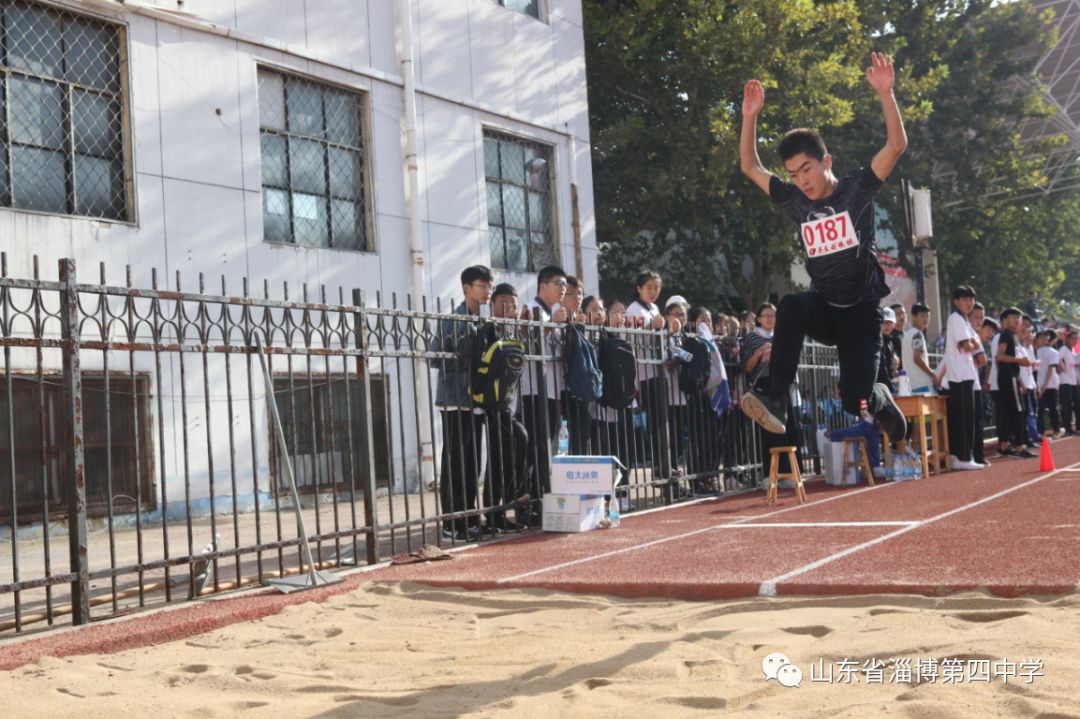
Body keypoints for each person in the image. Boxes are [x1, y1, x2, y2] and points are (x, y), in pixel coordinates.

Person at [737, 52, 908, 451]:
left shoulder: (856, 190)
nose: (802, 181)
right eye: (794, 174)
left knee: (856, 401)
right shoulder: (796, 200)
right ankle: (775, 394)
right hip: (826, 308)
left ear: (825, 161)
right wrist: (750, 117)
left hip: (862, 313)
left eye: (807, 169)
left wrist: (887, 93)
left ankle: (883, 402)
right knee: (793, 305)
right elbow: (750, 166)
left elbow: (896, 144)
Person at [433, 265, 494, 540]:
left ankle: (469, 516)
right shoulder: (451, 320)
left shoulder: (484, 320)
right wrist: (462, 352)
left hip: (477, 400)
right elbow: (434, 357)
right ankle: (451, 522)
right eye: (482, 286)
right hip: (455, 399)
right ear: (467, 288)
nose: (487, 292)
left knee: (473, 462)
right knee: (455, 461)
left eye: (489, 287)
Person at [519, 265, 569, 525]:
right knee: (535, 449)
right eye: (557, 283)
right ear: (543, 285)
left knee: (548, 449)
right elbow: (527, 344)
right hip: (532, 390)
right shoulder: (529, 308)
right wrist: (551, 324)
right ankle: (531, 503)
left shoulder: (555, 312)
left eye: (564, 285)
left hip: (551, 391)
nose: (563, 288)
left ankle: (545, 499)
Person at [740, 303, 803, 476]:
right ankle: (770, 475)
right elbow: (746, 367)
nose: (770, 319)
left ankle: (791, 473)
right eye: (766, 315)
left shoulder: (782, 336)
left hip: (782, 384)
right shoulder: (752, 338)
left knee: (789, 428)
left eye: (773, 315)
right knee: (770, 431)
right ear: (758, 319)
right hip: (764, 385)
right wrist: (760, 351)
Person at [625, 270, 674, 477]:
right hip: (645, 372)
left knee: (663, 419)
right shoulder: (633, 309)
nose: (653, 292)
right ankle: (658, 465)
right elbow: (631, 337)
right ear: (639, 289)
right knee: (655, 420)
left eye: (656, 288)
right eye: (649, 288)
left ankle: (665, 462)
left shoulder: (654, 307)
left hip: (658, 368)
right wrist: (649, 327)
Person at [994, 308, 1036, 458]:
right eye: (1013, 317)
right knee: (1018, 411)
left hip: (1009, 377)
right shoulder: (1006, 335)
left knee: (1009, 412)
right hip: (1008, 378)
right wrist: (1019, 361)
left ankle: (1004, 446)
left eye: (1018, 317)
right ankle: (1019, 447)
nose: (1017, 320)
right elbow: (999, 356)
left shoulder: (1011, 336)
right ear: (1004, 320)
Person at [902, 303, 938, 394]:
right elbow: (917, 358)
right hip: (922, 385)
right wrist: (932, 374)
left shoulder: (907, 334)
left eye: (927, 316)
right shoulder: (917, 334)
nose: (926, 319)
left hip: (910, 385)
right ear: (913, 317)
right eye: (922, 316)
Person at [1035, 329, 1064, 438]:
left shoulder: (1053, 352)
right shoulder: (1035, 352)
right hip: (1042, 385)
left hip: (1049, 384)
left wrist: (1043, 386)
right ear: (1037, 339)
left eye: (1046, 339)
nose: (1044, 341)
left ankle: (1054, 429)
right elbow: (1037, 370)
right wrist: (1041, 386)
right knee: (1042, 409)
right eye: (1041, 338)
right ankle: (1042, 431)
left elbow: (1050, 370)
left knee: (1051, 408)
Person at [878, 306, 897, 392]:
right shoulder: (878, 340)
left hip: (887, 383)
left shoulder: (890, 340)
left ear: (894, 324)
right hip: (880, 385)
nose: (886, 325)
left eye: (889, 322)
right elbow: (882, 366)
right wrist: (889, 385)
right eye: (884, 322)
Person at [889, 303, 906, 371]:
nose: (901, 316)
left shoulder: (907, 335)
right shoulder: (890, 336)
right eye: (897, 314)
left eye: (903, 313)